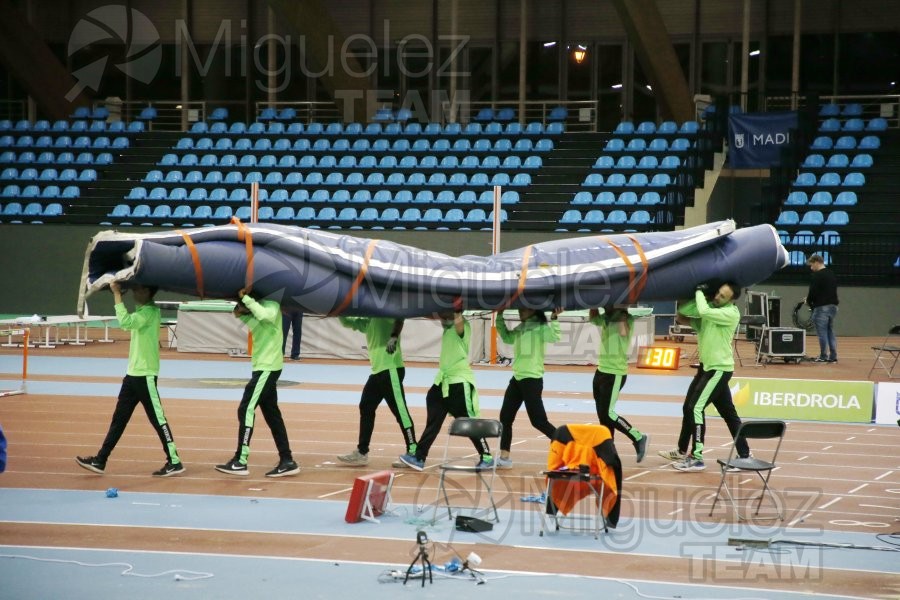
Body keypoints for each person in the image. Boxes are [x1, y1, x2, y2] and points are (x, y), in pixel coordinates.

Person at [76, 282, 184, 477]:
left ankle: (174, 461)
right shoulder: (142, 309)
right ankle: (101, 460)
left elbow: (125, 322)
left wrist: (117, 295)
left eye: (139, 288)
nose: (136, 291)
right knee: (119, 420)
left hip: (145, 375)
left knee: (158, 419)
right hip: (132, 375)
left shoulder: (149, 311)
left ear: (148, 292)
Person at [658, 282, 751, 472]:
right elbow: (682, 316)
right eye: (718, 293)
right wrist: (698, 296)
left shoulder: (730, 313)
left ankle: (697, 457)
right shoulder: (710, 311)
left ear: (731, 300)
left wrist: (699, 291)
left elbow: (704, 311)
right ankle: (744, 455)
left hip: (719, 370)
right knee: (722, 412)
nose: (718, 297)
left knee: (695, 408)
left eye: (723, 296)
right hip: (706, 369)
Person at [216, 288, 300, 477]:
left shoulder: (271, 305)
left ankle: (241, 460)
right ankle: (287, 460)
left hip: (267, 368)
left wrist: (245, 298)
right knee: (272, 415)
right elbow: (239, 314)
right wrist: (241, 303)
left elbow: (264, 316)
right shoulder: (259, 308)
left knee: (245, 409)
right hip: (264, 367)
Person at [398, 307, 492, 471]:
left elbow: (458, 322)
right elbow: (434, 314)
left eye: (445, 313)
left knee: (469, 421)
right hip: (442, 383)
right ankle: (419, 457)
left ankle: (487, 456)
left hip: (459, 383)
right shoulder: (447, 328)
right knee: (433, 417)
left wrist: (456, 308)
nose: (441, 317)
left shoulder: (462, 327)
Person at [335, 317, 417, 466]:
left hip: (390, 369)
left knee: (400, 412)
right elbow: (348, 322)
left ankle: (413, 451)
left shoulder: (383, 315)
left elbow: (400, 318)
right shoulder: (369, 321)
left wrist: (393, 337)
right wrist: (337, 310)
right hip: (378, 371)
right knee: (366, 406)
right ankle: (362, 452)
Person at [494, 307, 562, 469]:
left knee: (538, 421)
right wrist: (500, 315)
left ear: (534, 311)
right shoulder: (521, 328)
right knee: (505, 418)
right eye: (520, 308)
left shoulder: (540, 327)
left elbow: (555, 337)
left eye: (524, 309)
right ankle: (504, 458)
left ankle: (566, 444)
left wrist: (554, 318)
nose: (520, 311)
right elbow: (506, 337)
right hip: (517, 379)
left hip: (532, 379)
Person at [589, 307, 649, 462]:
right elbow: (593, 318)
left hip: (615, 373)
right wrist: (593, 303)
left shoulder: (625, 318)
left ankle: (638, 436)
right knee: (603, 417)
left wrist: (619, 311)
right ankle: (609, 451)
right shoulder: (606, 317)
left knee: (609, 413)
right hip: (601, 370)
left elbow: (623, 332)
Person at [805, 253, 839, 363]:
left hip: (821, 307)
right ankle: (833, 355)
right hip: (833, 306)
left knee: (822, 333)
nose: (811, 268)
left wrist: (808, 301)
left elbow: (813, 292)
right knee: (830, 331)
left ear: (816, 262)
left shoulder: (817, 276)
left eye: (811, 265)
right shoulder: (831, 274)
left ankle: (823, 356)